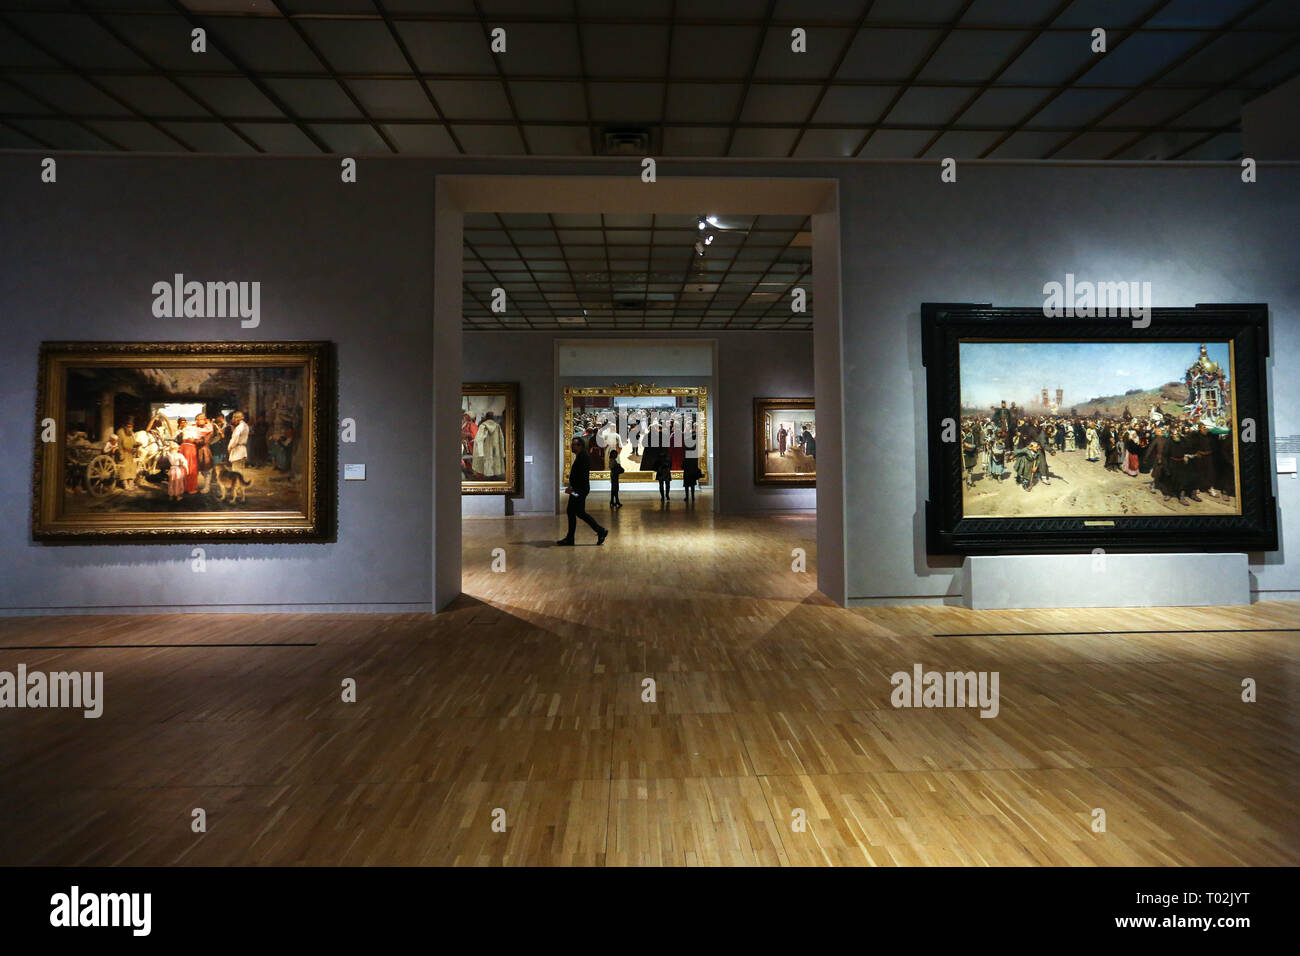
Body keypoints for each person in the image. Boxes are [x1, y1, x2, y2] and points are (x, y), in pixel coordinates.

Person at [557, 437, 607, 546]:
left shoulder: (583, 457)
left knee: (575, 512)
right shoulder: (581, 456)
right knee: (577, 512)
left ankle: (599, 530)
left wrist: (573, 489)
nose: (571, 446)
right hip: (579, 490)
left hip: (579, 490)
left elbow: (582, 476)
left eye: (574, 444)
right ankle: (599, 530)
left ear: (580, 445)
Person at [115, 416, 138, 489]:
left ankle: (131, 484)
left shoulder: (132, 433)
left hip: (131, 454)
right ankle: (125, 485)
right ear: (125, 425)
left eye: (131, 426)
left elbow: (133, 443)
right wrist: (121, 454)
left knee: (132, 469)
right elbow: (119, 444)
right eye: (128, 426)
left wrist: (137, 444)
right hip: (124, 453)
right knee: (124, 470)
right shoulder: (120, 432)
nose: (130, 427)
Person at [609, 442, 624, 509]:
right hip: (614, 475)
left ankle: (613, 501)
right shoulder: (612, 461)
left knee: (614, 489)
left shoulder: (612, 460)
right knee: (615, 489)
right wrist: (617, 465)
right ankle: (616, 501)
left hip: (614, 475)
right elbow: (612, 467)